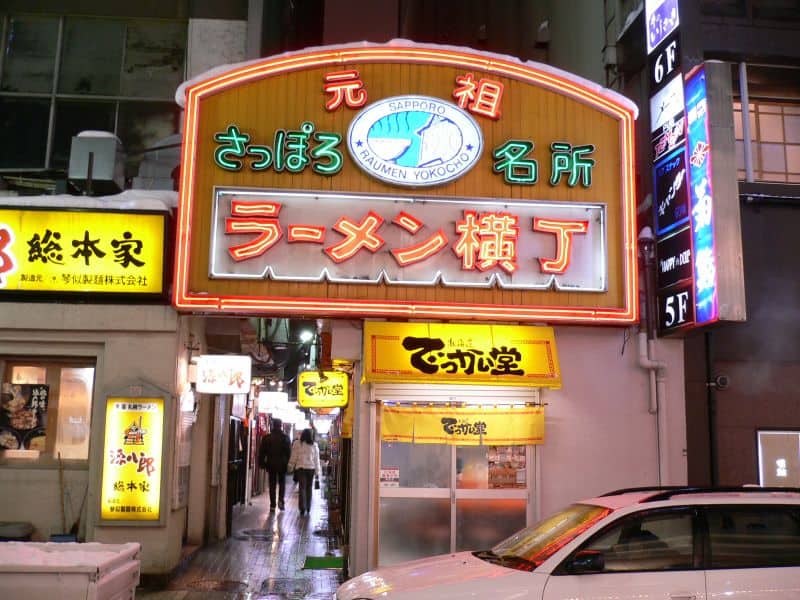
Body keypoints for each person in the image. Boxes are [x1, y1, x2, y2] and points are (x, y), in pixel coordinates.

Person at [258, 418, 291, 511]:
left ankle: (272, 505)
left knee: (272, 484)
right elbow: (289, 452)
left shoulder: (267, 437)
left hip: (271, 464)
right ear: (281, 426)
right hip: (282, 465)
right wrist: (288, 462)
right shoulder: (285, 438)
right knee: (282, 483)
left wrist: (262, 463)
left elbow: (262, 452)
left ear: (273, 425)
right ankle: (281, 501)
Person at [288, 428, 322, 516]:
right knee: (309, 488)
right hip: (311, 469)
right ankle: (308, 507)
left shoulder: (297, 443)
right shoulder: (314, 445)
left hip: (301, 468)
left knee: (302, 488)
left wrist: (291, 465)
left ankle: (302, 508)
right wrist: (317, 471)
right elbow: (316, 460)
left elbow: (294, 456)